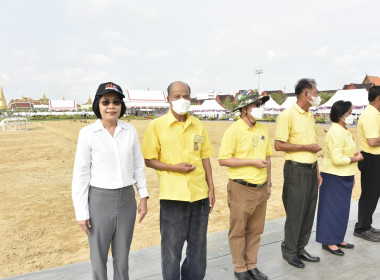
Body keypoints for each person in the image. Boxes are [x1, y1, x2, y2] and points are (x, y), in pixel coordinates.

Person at [72, 82, 149, 280]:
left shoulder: (129, 131)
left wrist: (143, 196)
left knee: (122, 256)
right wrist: (81, 212)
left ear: (121, 106)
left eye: (116, 102)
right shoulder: (87, 134)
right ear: (98, 105)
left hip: (126, 200)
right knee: (98, 256)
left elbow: (138, 165)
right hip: (99, 200)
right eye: (105, 102)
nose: (111, 107)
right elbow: (80, 175)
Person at [141, 81, 215, 280]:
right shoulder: (156, 126)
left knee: (198, 249)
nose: (182, 100)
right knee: (172, 250)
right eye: (177, 96)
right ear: (168, 100)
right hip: (173, 196)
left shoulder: (197, 124)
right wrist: (175, 168)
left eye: (186, 96)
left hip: (199, 195)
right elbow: (149, 160)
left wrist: (211, 189)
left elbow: (205, 157)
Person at [218, 90, 272, 280]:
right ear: (245, 109)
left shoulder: (263, 129)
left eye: (261, 104)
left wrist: (269, 183)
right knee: (238, 230)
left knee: (256, 230)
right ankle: (239, 267)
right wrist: (251, 162)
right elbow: (223, 160)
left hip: (260, 187)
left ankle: (252, 265)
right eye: (257, 105)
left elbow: (267, 157)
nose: (260, 108)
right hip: (241, 188)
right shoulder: (234, 130)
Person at [274, 78, 322, 268]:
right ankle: (290, 250)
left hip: (311, 170)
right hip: (296, 169)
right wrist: (305, 147)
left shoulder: (310, 115)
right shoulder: (288, 115)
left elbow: (313, 147)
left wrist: (317, 171)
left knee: (309, 211)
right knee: (295, 212)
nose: (317, 97)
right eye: (316, 93)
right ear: (305, 94)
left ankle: (301, 248)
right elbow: (278, 145)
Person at [316, 101, 364, 256]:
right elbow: (337, 159)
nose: (351, 115)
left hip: (345, 175)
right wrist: (356, 159)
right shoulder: (335, 131)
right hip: (333, 176)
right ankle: (328, 241)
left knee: (342, 210)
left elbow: (345, 153)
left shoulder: (343, 129)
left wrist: (353, 157)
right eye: (350, 112)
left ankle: (337, 238)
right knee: (332, 210)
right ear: (341, 115)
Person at [354, 85, 380, 242]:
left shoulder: (374, 113)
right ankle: (362, 228)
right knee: (369, 195)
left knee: (374, 194)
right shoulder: (371, 115)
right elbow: (372, 141)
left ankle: (366, 224)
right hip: (371, 159)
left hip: (375, 158)